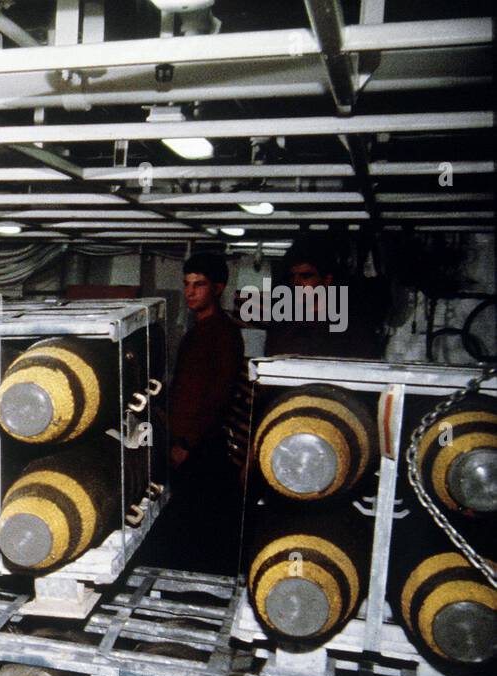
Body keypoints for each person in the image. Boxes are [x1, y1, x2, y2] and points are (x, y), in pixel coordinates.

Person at [159, 251, 247, 575]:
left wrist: (186, 442)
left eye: (200, 284)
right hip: (183, 445)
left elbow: (219, 398)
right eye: (187, 284)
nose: (191, 291)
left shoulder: (223, 335)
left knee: (202, 531)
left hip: (202, 449)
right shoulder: (195, 332)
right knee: (184, 527)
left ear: (218, 288)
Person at [264, 238, 381, 359]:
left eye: (306, 276)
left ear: (327, 280)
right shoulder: (282, 324)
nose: (296, 283)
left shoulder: (352, 326)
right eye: (292, 277)